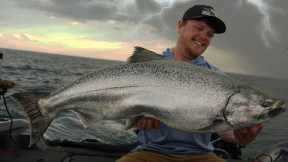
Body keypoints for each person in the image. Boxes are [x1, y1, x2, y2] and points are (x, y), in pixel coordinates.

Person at [117, 4, 263, 162]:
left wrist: (240, 138)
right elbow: (125, 112)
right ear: (180, 26)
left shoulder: (218, 78)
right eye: (199, 28)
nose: (204, 36)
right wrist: (137, 119)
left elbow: (223, 129)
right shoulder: (148, 66)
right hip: (150, 153)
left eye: (210, 34)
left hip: (201, 156)